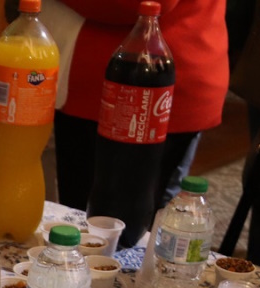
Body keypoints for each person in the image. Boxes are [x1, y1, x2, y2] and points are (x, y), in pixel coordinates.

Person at [38, 0, 230, 235]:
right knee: (92, 227)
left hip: (141, 86)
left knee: (114, 233)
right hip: (119, 84)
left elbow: (143, 4)